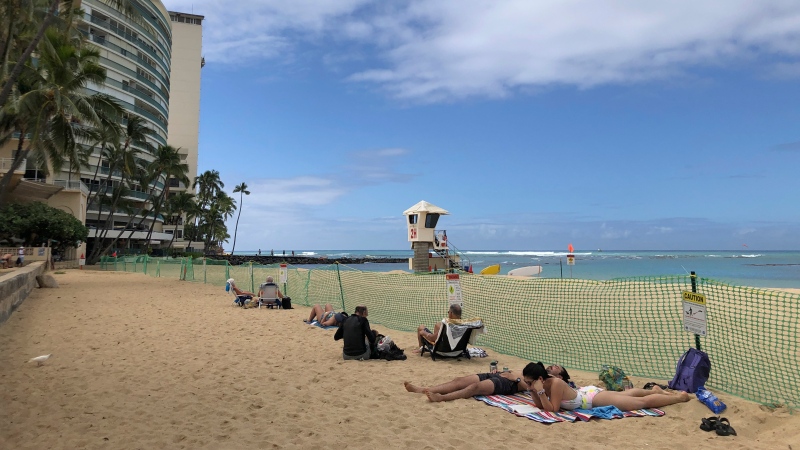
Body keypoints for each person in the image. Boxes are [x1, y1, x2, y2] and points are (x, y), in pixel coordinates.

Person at [522, 362, 690, 411]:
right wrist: (534, 391)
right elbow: (539, 405)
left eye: (530, 383)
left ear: (539, 378)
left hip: (592, 398)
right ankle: (655, 390)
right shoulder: (541, 385)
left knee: (640, 403)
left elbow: (553, 409)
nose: (528, 386)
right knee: (629, 395)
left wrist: (540, 391)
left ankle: (678, 397)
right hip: (586, 394)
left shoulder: (555, 383)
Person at [404, 369, 529, 402]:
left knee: (474, 387)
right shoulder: (539, 367)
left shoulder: (545, 380)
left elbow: (530, 388)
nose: (550, 367)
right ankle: (421, 389)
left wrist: (515, 378)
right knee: (459, 380)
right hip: (501, 374)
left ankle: (441, 398)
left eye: (550, 367)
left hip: (509, 383)